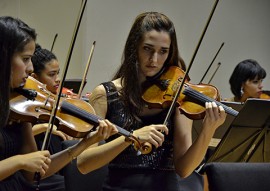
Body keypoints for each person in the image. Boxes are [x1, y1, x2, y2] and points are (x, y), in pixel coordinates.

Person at [76, 12, 226, 191]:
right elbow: (83, 164)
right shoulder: (105, 95)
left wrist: (208, 130)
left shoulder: (177, 95)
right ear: (134, 47)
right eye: (147, 49)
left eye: (163, 51)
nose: (154, 60)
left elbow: (184, 169)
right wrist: (130, 138)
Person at [0, 16, 117, 191]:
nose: (31, 68)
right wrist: (19, 161)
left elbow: (34, 174)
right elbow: (24, 163)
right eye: (25, 59)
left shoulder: (19, 107)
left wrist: (82, 145)